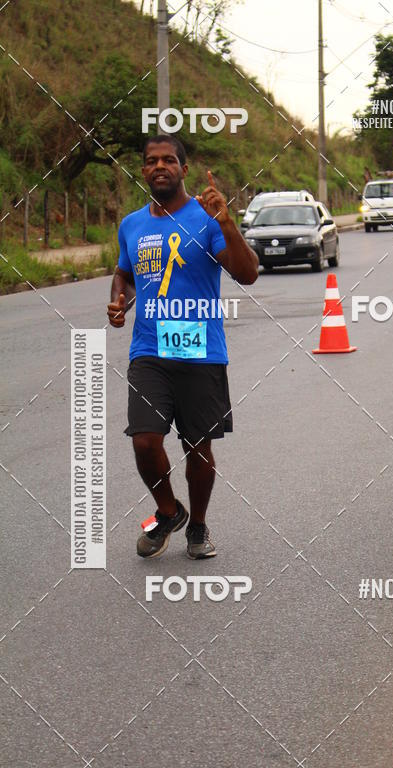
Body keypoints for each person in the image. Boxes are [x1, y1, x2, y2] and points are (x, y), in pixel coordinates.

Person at [108, 135, 258, 559]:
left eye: (169, 160)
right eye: (152, 161)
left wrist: (227, 223)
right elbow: (126, 273)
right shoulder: (132, 225)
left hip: (199, 350)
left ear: (184, 169)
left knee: (198, 446)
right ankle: (169, 510)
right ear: (143, 170)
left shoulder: (207, 218)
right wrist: (121, 300)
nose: (160, 166)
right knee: (144, 440)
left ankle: (198, 525)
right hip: (149, 351)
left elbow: (247, 274)